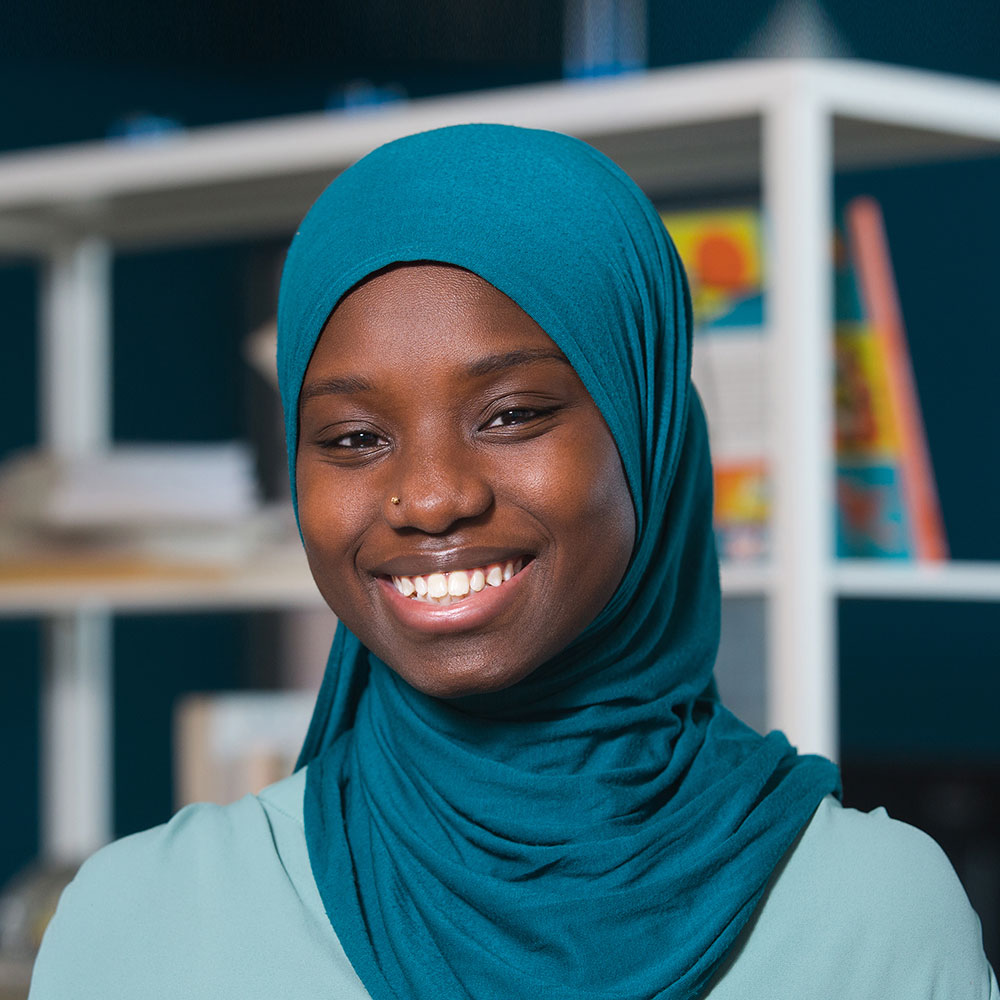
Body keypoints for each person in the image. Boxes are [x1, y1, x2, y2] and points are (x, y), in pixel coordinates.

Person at [30, 124, 996, 999]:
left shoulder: (873, 918)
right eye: (354, 438)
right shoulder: (141, 925)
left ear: (648, 431)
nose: (433, 495)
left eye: (513, 415)